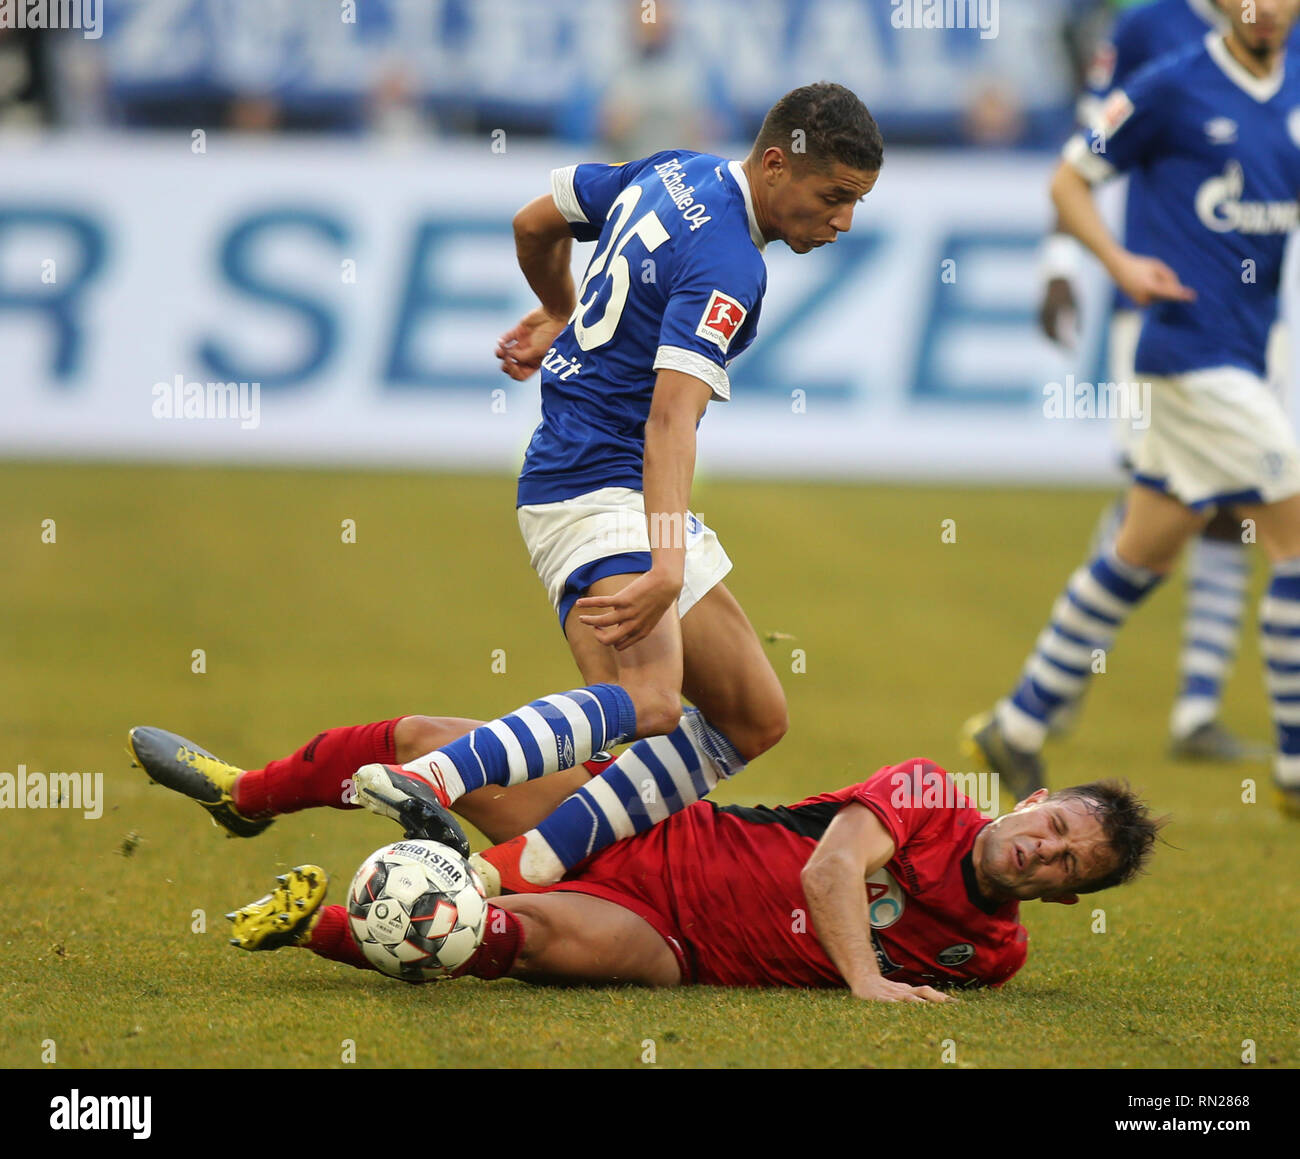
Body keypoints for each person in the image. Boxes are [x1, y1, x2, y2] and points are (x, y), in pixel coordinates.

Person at [129, 83, 884, 899]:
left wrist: (562, 307)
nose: (843, 222)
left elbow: (534, 221)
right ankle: (433, 801)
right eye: (835, 196)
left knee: (750, 715)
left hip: (601, 477)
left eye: (855, 204)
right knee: (643, 704)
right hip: (599, 486)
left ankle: (405, 839)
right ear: (776, 163)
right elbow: (671, 421)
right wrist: (667, 566)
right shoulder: (733, 263)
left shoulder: (674, 170)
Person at [966, 0, 1300, 818]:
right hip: (1187, 355)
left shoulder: (1291, 88)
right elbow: (1069, 176)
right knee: (1294, 535)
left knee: (1144, 548)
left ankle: (1019, 718)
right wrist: (1115, 262)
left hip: (1245, 353)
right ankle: (1294, 766)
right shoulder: (1171, 83)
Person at [220, 754, 1161, 1001]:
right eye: (1056, 824)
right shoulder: (930, 792)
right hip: (657, 829)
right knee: (440, 745)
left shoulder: (990, 956)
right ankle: (253, 788)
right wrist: (868, 981)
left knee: (512, 936)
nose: (1046, 847)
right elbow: (833, 869)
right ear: (1035, 798)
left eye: (1070, 861)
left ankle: (313, 925)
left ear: (1067, 895)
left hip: (674, 949)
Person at [1036, 0, 1280, 762]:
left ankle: (1177, 705)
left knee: (1205, 503)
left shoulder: (1280, 41)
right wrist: (1064, 261)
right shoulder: (1150, 29)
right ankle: (1063, 677)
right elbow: (1086, 148)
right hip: (1161, 304)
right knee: (1195, 500)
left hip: (1254, 320)